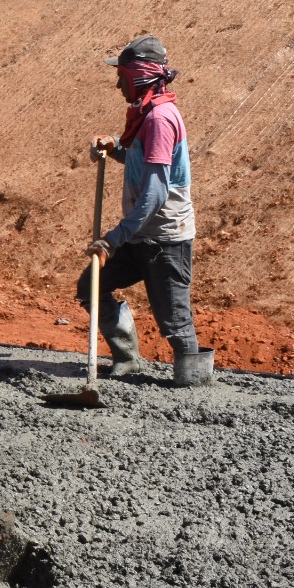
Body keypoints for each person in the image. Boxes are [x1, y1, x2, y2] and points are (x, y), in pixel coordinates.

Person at [81, 34, 201, 375]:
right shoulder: (144, 115)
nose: (119, 86)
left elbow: (155, 193)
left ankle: (193, 387)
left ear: (139, 77)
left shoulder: (160, 119)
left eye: (122, 78)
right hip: (140, 232)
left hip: (164, 238)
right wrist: (113, 146)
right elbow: (140, 161)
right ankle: (127, 360)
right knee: (92, 286)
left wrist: (113, 239)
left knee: (175, 321)